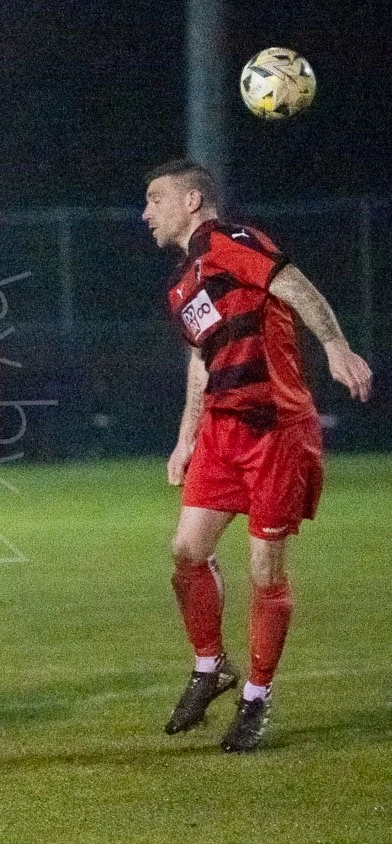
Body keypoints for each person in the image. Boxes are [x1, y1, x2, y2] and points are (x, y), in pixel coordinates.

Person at [143, 159, 372, 752]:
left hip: (276, 428)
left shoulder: (228, 240)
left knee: (264, 569)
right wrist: (185, 436)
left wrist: (335, 345)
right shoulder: (182, 283)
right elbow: (202, 360)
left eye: (156, 200)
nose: (146, 214)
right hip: (222, 430)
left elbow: (291, 283)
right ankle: (212, 666)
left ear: (193, 201)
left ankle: (255, 701)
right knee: (187, 551)